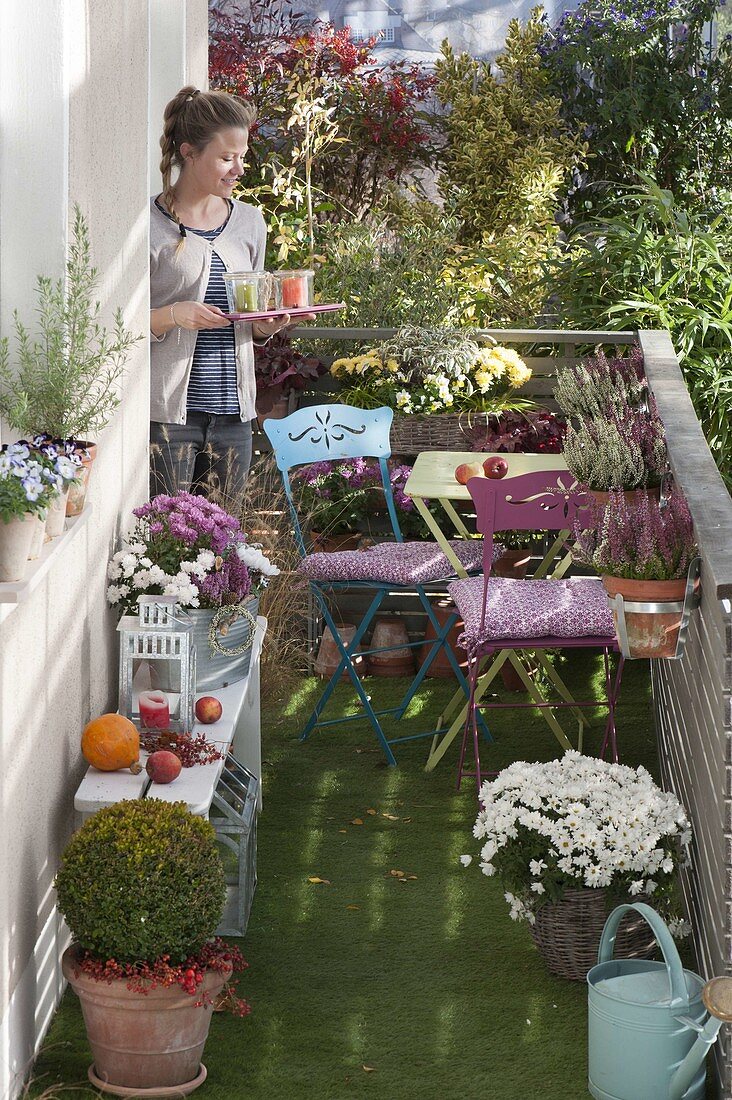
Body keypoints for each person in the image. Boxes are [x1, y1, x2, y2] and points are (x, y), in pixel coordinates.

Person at [149, 85, 308, 499]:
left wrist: (266, 326)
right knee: (167, 540)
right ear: (188, 152)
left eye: (242, 157)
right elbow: (116, 323)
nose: (238, 169)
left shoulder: (250, 222)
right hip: (168, 415)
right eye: (225, 158)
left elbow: (248, 315)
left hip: (233, 414)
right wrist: (173, 314)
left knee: (224, 540)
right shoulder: (147, 225)